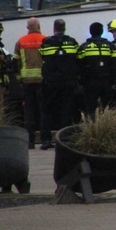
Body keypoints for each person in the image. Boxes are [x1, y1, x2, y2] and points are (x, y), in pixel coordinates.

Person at [39, 19, 79, 149]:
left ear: (54, 28)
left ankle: (46, 140)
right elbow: (77, 59)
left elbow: (43, 57)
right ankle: (65, 140)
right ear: (64, 28)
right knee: (66, 110)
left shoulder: (46, 42)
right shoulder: (72, 42)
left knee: (47, 110)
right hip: (68, 82)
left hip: (50, 82)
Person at [13, 17, 45, 149]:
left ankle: (30, 141)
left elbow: (15, 63)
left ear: (28, 28)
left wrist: (19, 78)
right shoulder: (45, 40)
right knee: (43, 111)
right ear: (38, 26)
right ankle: (45, 140)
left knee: (29, 112)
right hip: (42, 81)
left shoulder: (21, 42)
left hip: (26, 83)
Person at [77, 22, 116, 116]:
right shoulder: (110, 46)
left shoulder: (84, 47)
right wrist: (114, 82)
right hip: (107, 82)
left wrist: (82, 82)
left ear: (90, 32)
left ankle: (93, 126)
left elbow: (79, 66)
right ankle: (108, 126)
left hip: (90, 83)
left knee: (91, 108)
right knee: (108, 108)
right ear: (101, 32)